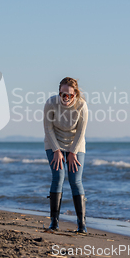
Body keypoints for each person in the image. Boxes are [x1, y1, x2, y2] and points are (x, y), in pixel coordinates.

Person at [43, 77, 88, 233]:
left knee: (75, 180)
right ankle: (54, 222)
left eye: (69, 95)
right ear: (59, 93)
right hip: (53, 142)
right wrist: (56, 150)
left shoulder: (82, 105)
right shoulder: (51, 103)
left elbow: (81, 132)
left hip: (76, 144)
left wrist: (73, 152)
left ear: (75, 94)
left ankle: (82, 225)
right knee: (59, 176)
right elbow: (48, 128)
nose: (66, 98)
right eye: (63, 94)